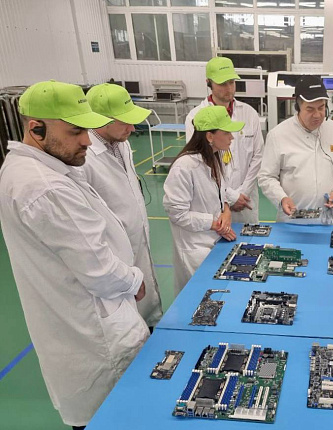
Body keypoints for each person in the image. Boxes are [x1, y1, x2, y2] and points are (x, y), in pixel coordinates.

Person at [0, 80, 149, 428]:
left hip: (84, 327)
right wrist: (134, 279)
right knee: (114, 417)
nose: (86, 140)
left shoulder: (33, 169)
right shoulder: (46, 187)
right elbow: (100, 272)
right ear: (36, 128)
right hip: (96, 338)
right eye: (75, 131)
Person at [84, 83, 163, 330]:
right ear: (101, 120)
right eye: (125, 122)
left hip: (138, 239)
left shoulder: (123, 143)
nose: (132, 128)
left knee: (147, 307)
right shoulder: (85, 158)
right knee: (126, 319)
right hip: (115, 252)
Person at [259, 75, 333, 223]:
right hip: (291, 221)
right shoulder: (278, 135)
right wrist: (281, 198)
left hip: (329, 220)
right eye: (310, 109)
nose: (317, 115)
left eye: (321, 108)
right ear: (297, 107)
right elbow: (266, 177)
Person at [164, 105, 239, 295]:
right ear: (209, 136)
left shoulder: (214, 158)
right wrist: (214, 223)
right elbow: (177, 214)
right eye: (226, 132)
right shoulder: (184, 167)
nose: (231, 137)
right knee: (199, 299)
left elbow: (221, 192)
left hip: (215, 241)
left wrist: (226, 211)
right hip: (194, 248)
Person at [185, 57, 263, 224]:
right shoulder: (195, 117)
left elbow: (258, 157)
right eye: (222, 84)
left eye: (231, 82)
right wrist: (230, 196)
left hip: (246, 200)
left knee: (249, 238)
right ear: (208, 82)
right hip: (215, 201)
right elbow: (199, 163)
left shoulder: (249, 113)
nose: (229, 88)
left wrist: (243, 192)